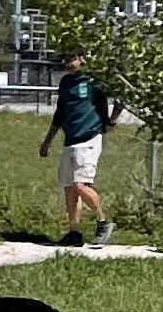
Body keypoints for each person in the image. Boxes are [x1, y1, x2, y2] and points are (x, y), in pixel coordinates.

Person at [42, 46, 119, 245]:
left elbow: (120, 99)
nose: (66, 63)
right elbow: (60, 113)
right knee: (69, 187)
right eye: (65, 60)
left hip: (89, 137)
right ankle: (74, 232)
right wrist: (48, 140)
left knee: (81, 184)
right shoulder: (66, 82)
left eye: (70, 59)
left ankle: (103, 221)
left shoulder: (94, 80)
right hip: (70, 139)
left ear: (82, 59)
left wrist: (111, 121)